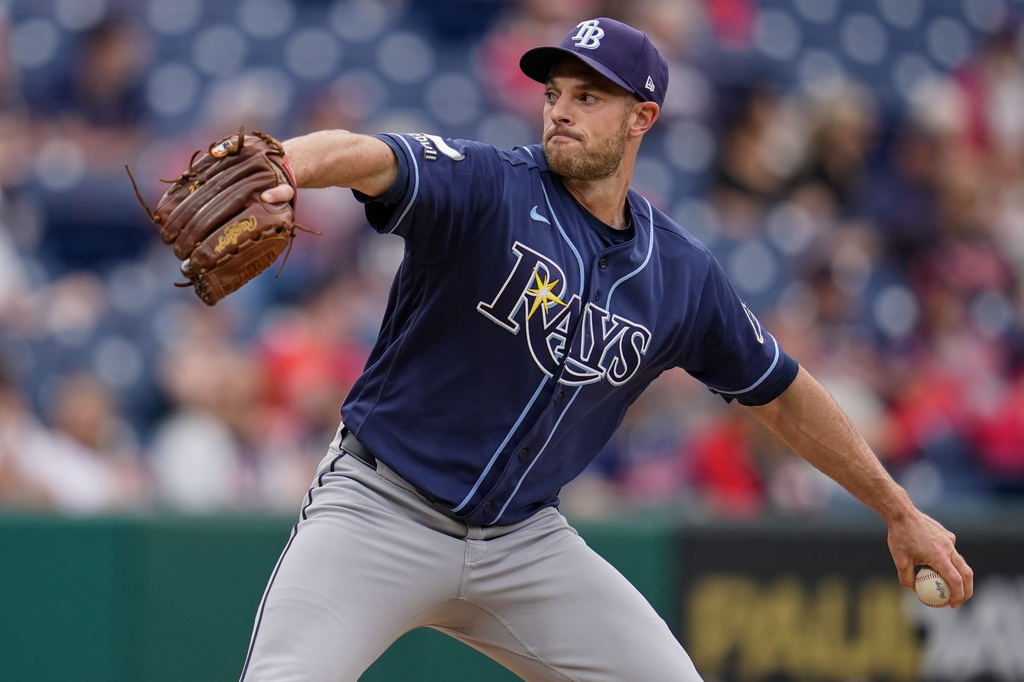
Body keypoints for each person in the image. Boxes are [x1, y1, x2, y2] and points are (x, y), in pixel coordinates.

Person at [241, 18, 973, 682]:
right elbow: (370, 155)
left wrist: (897, 509)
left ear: (641, 118)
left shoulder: (680, 274)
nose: (560, 108)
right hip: (379, 511)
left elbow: (780, 393)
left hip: (521, 545)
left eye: (590, 96)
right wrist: (287, 165)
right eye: (555, 92)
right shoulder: (490, 184)